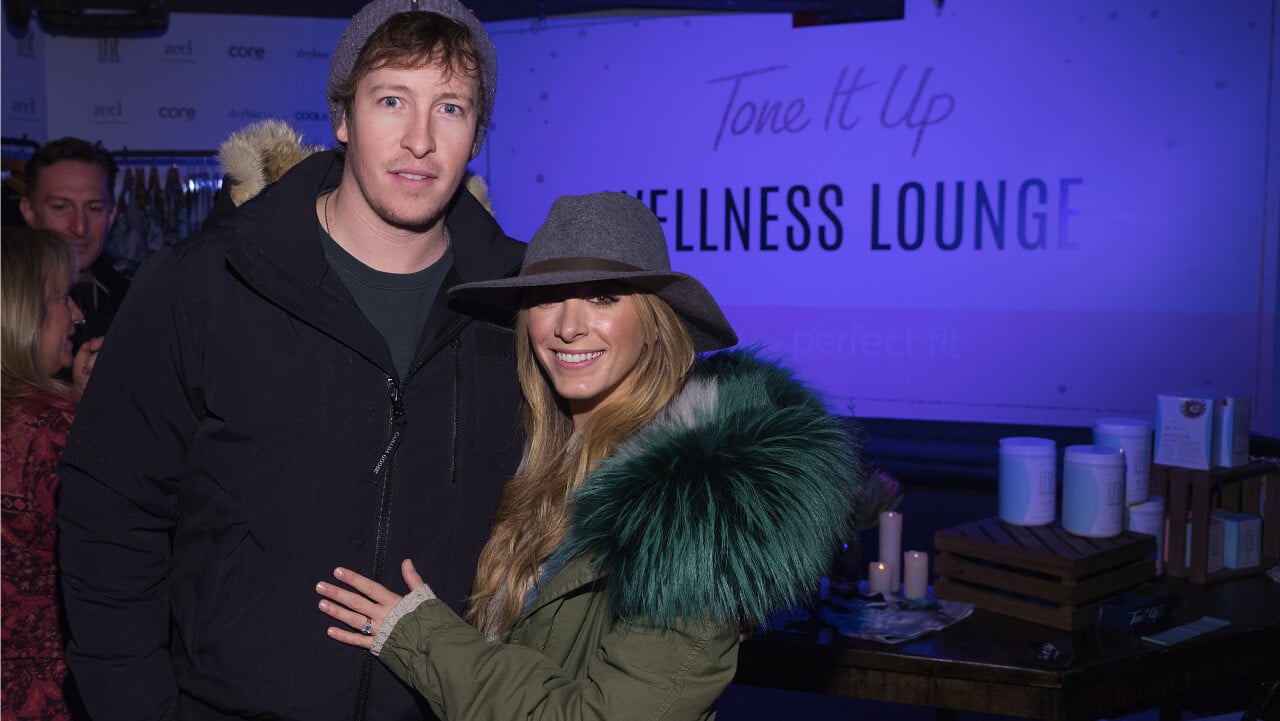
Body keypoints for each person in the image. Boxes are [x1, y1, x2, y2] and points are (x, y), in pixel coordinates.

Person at [56, 1, 527, 719]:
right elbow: (108, 519)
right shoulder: (203, 285)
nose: (420, 139)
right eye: (392, 99)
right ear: (342, 118)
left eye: (451, 107)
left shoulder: (518, 308)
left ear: (477, 134)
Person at [314, 192, 864, 721]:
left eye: (603, 296)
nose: (568, 324)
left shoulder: (692, 512)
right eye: (548, 297)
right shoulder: (530, 459)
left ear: (654, 322)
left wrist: (420, 636)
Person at [2, 228, 99, 721]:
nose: (78, 315)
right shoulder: (50, 428)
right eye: (63, 298)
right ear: (24, 314)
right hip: (45, 690)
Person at [19, 137, 130, 354]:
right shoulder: (10, 306)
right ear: (29, 211)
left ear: (111, 215)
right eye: (61, 207)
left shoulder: (136, 301)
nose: (80, 227)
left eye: (94, 208)